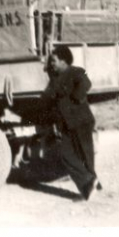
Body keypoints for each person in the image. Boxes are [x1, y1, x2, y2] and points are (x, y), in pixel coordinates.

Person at [43, 45, 99, 201]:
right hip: (66, 125)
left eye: (53, 60)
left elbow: (86, 83)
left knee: (86, 156)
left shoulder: (77, 71)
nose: (51, 64)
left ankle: (90, 189)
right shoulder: (54, 78)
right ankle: (90, 183)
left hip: (81, 121)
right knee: (66, 155)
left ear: (63, 61)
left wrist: (75, 98)